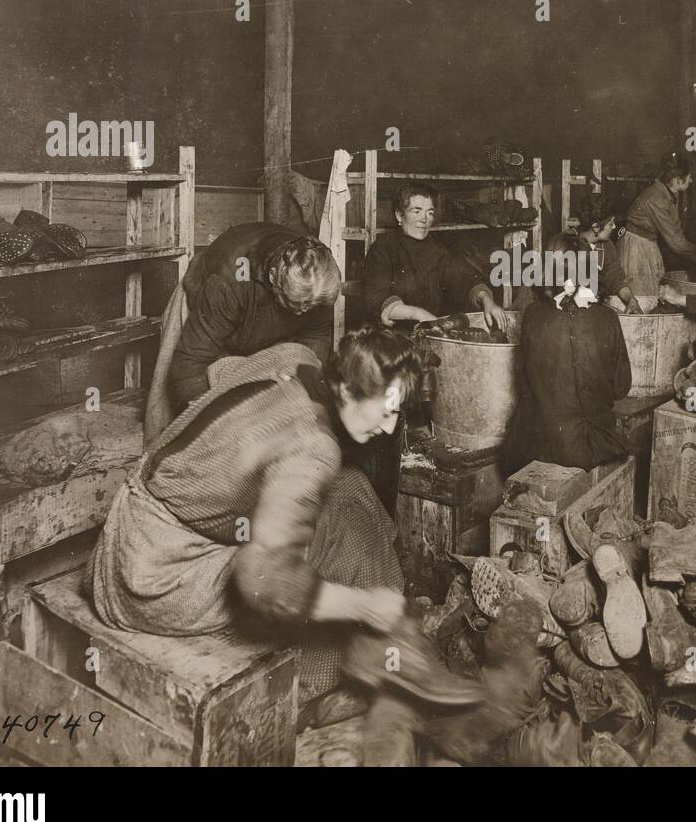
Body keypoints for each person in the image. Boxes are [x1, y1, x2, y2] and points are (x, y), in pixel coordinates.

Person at [90, 329, 479, 718]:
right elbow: (263, 580)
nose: (391, 428)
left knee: (350, 486)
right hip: (151, 573)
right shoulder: (313, 448)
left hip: (143, 519)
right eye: (385, 410)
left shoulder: (297, 356)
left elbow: (220, 373)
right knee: (324, 547)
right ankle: (305, 692)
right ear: (345, 392)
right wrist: (365, 606)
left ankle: (383, 646)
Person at [145, 222, 341, 441]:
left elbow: (316, 337)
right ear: (274, 278)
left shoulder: (316, 280)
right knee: (177, 425)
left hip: (257, 322)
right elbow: (189, 364)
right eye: (298, 305)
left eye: (311, 307)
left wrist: (306, 391)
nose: (305, 312)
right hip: (206, 304)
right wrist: (220, 425)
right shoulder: (227, 281)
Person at [504, 237, 633, 474]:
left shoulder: (532, 315)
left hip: (535, 446)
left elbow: (523, 381)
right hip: (590, 449)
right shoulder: (608, 318)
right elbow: (621, 388)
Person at [362, 181, 507, 332]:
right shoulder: (382, 249)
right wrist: (419, 314)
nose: (424, 219)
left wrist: (487, 300)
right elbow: (376, 297)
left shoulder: (437, 248)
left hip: (430, 332)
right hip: (391, 338)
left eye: (430, 212)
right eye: (416, 211)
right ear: (399, 215)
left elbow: (462, 279)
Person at [617, 152, 696, 295]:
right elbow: (677, 243)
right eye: (690, 177)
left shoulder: (666, 193)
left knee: (650, 293)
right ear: (678, 180)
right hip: (638, 249)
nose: (692, 181)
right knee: (642, 296)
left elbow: (676, 230)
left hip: (646, 245)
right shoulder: (657, 198)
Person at [547, 194, 640, 312]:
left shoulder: (606, 245)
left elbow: (615, 276)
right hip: (563, 308)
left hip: (590, 306)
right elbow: (554, 289)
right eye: (611, 224)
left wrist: (631, 299)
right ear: (596, 228)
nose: (614, 227)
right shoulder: (564, 243)